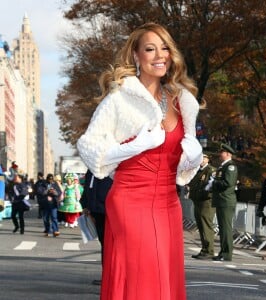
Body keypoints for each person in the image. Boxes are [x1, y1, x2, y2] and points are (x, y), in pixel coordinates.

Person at [77, 22, 203, 300]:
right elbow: (88, 147)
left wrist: (192, 158)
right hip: (130, 200)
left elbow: (182, 166)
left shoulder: (183, 100)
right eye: (150, 49)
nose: (160, 55)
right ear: (136, 56)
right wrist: (133, 147)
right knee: (143, 277)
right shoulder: (119, 99)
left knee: (164, 279)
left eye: (165, 48)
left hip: (169, 202)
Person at [80, 169, 113, 285]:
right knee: (104, 244)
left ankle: (111, 276)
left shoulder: (111, 167)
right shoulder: (91, 170)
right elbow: (88, 188)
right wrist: (84, 205)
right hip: (96, 211)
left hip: (109, 211)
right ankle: (106, 275)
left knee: (110, 246)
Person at [207, 143, 238, 261]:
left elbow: (228, 183)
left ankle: (227, 253)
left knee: (226, 228)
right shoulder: (223, 167)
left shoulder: (230, 167)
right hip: (221, 200)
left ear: (227, 154)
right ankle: (223, 251)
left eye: (222, 152)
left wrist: (213, 183)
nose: (220, 154)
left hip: (226, 200)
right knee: (222, 228)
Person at [189, 154, 216, 259]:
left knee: (206, 225)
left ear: (208, 159)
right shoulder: (198, 171)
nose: (202, 160)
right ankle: (204, 248)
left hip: (206, 201)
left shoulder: (211, 170)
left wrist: (205, 195)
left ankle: (209, 250)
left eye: (204, 158)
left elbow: (212, 185)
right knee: (200, 226)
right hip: (198, 200)